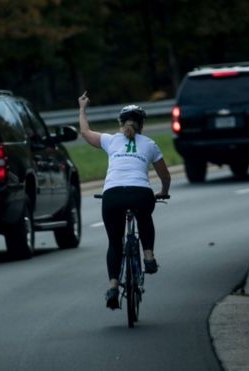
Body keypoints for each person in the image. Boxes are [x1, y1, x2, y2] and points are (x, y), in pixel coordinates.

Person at [77, 91, 171, 310]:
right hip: (141, 193)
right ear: (142, 124)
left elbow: (85, 132)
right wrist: (163, 191)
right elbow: (165, 175)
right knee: (145, 216)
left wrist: (82, 108)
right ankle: (148, 256)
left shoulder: (110, 140)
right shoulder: (150, 144)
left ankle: (112, 286)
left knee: (114, 242)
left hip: (112, 195)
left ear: (121, 123)